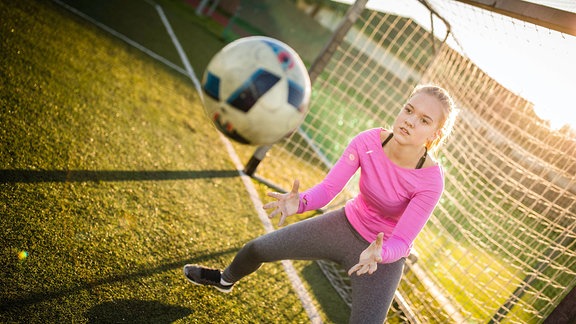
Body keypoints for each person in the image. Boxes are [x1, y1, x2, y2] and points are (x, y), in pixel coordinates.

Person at [184, 84, 458, 323]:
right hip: (343, 225)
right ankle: (224, 280)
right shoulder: (368, 141)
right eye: (408, 110)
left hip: (378, 257)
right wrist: (300, 203)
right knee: (257, 248)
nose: (410, 120)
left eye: (424, 120)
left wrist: (380, 254)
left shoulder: (431, 180)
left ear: (435, 134)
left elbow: (402, 241)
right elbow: (328, 189)